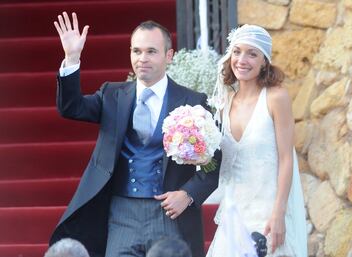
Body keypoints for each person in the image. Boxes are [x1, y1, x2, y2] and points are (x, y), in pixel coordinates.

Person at [50, 12, 220, 257]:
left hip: (169, 213)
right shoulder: (112, 94)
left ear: (168, 56)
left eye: (151, 51)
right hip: (121, 213)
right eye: (136, 51)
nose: (142, 58)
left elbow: (213, 164)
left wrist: (188, 195)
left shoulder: (193, 102)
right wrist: (72, 58)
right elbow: (71, 107)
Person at [206, 24, 307, 257]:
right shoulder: (224, 103)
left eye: (252, 54)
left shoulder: (276, 98)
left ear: (264, 61)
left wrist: (279, 213)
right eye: (237, 51)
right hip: (235, 213)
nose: (242, 60)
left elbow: (286, 159)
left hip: (269, 213)